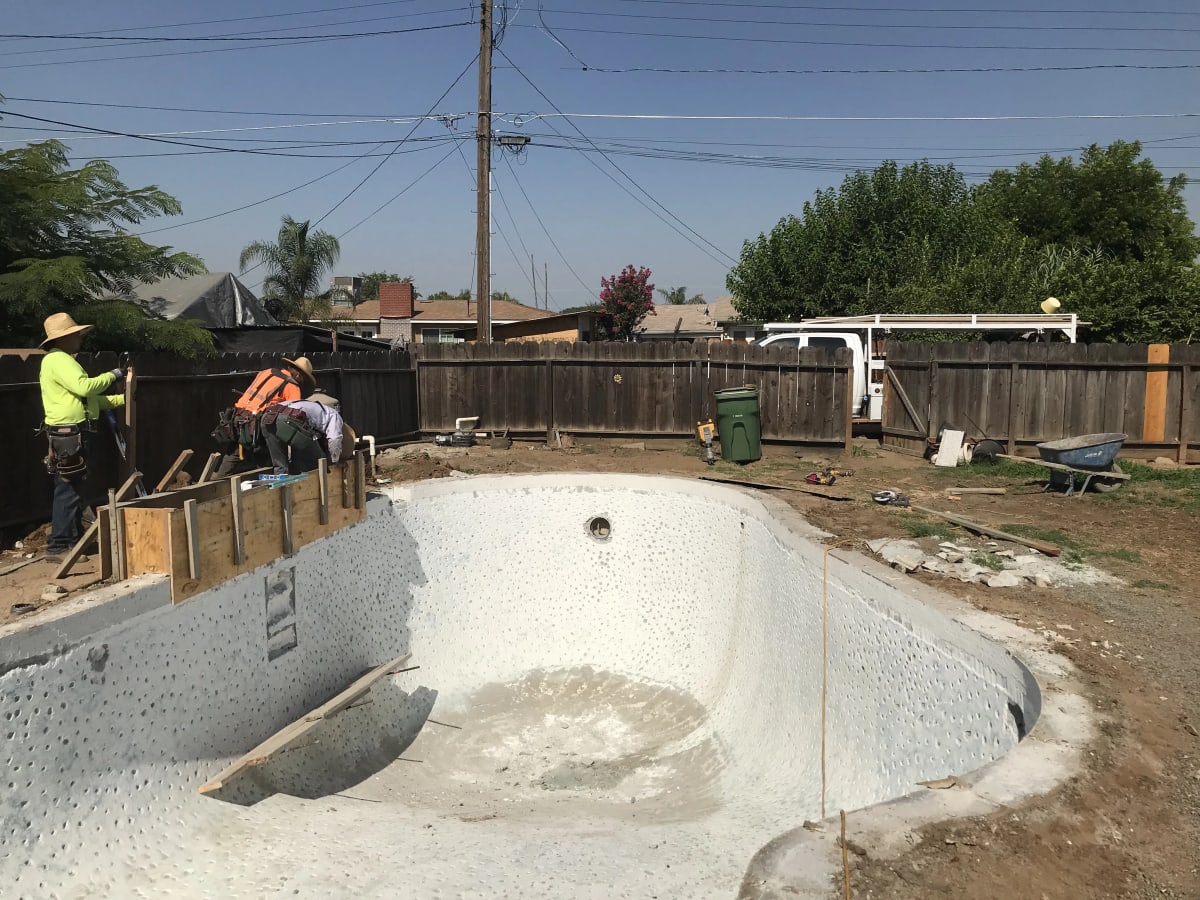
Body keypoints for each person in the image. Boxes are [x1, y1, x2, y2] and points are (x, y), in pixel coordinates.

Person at [37, 313, 126, 564]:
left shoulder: (62, 360)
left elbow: (89, 400)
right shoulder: (59, 360)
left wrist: (121, 400)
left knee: (73, 487)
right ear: (63, 338)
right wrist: (114, 375)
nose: (79, 338)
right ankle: (59, 545)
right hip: (69, 433)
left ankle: (71, 541)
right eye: (75, 334)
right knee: (68, 489)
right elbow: (86, 388)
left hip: (70, 431)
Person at [213, 357, 315, 477]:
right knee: (272, 460)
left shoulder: (268, 372)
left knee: (233, 456)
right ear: (299, 375)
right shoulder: (292, 386)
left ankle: (214, 485)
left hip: (237, 420)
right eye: (304, 378)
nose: (302, 381)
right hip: (256, 429)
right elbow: (292, 420)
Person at [260, 390, 346, 476]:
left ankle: (281, 484)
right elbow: (335, 438)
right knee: (316, 462)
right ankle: (306, 485)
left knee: (280, 466)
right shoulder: (334, 415)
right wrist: (335, 460)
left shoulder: (312, 408)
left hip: (267, 417)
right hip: (288, 418)